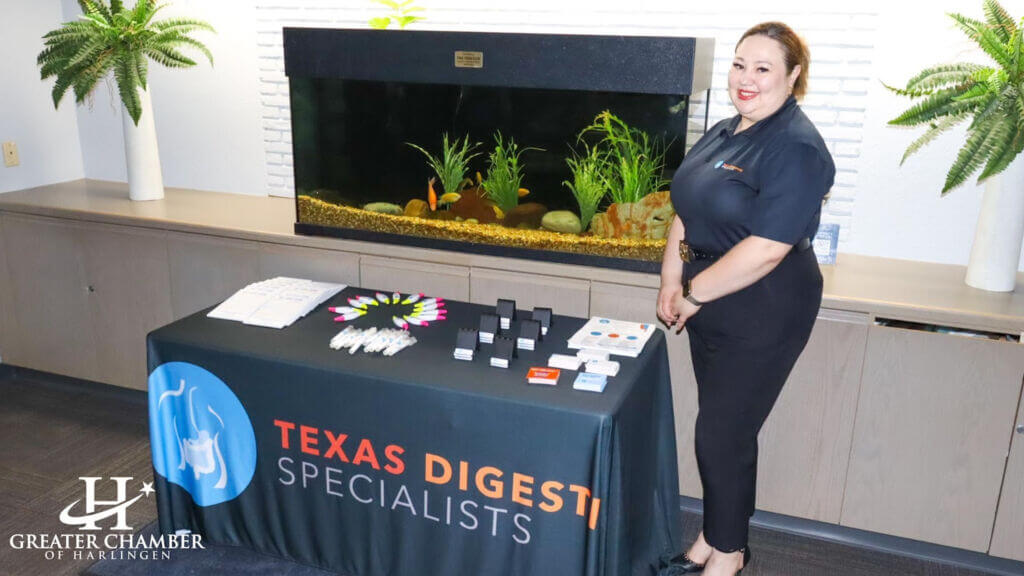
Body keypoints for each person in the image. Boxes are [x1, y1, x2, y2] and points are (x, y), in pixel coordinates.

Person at [655, 21, 835, 576]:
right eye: (739, 65)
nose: (746, 79)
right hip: (706, 296)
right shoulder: (724, 129)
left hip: (763, 305)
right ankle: (714, 537)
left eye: (762, 68)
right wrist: (669, 280)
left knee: (720, 434)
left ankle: (729, 556)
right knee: (723, 430)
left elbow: (766, 250)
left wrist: (691, 294)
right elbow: (686, 206)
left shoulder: (798, 148)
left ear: (793, 76)